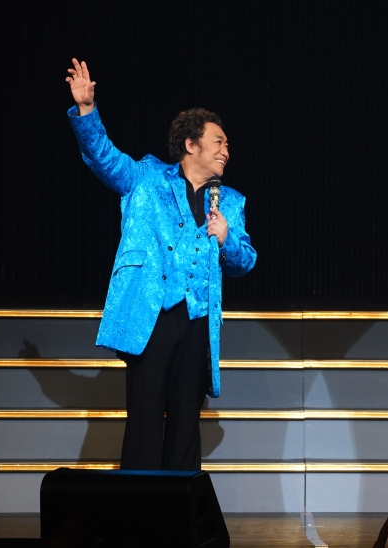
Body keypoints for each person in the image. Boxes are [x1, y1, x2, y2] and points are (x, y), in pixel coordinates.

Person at [65, 58, 257, 470]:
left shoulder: (230, 202)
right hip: (152, 315)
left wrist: (226, 239)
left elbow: (245, 261)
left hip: (197, 321)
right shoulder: (147, 179)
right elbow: (104, 157)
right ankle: (138, 504)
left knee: (186, 423)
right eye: (218, 142)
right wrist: (87, 110)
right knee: (145, 417)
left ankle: (182, 503)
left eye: (227, 144)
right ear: (191, 145)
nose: (226, 150)